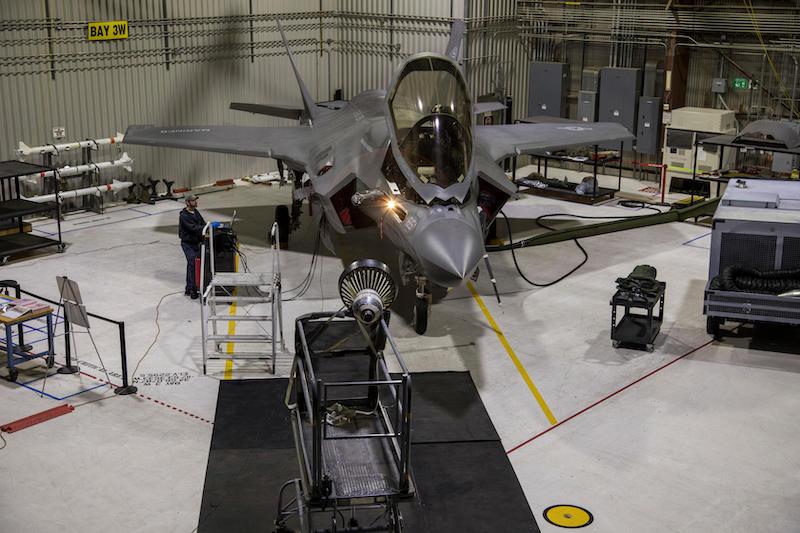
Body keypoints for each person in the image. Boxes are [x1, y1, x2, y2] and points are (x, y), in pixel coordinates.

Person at [179, 193, 206, 299]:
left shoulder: (196, 212)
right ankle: (192, 289)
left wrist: (208, 226)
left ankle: (189, 288)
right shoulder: (184, 215)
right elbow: (194, 228)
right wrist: (204, 228)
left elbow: (202, 223)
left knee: (193, 265)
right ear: (188, 202)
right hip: (188, 244)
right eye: (193, 200)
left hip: (196, 243)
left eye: (195, 200)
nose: (196, 202)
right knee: (192, 263)